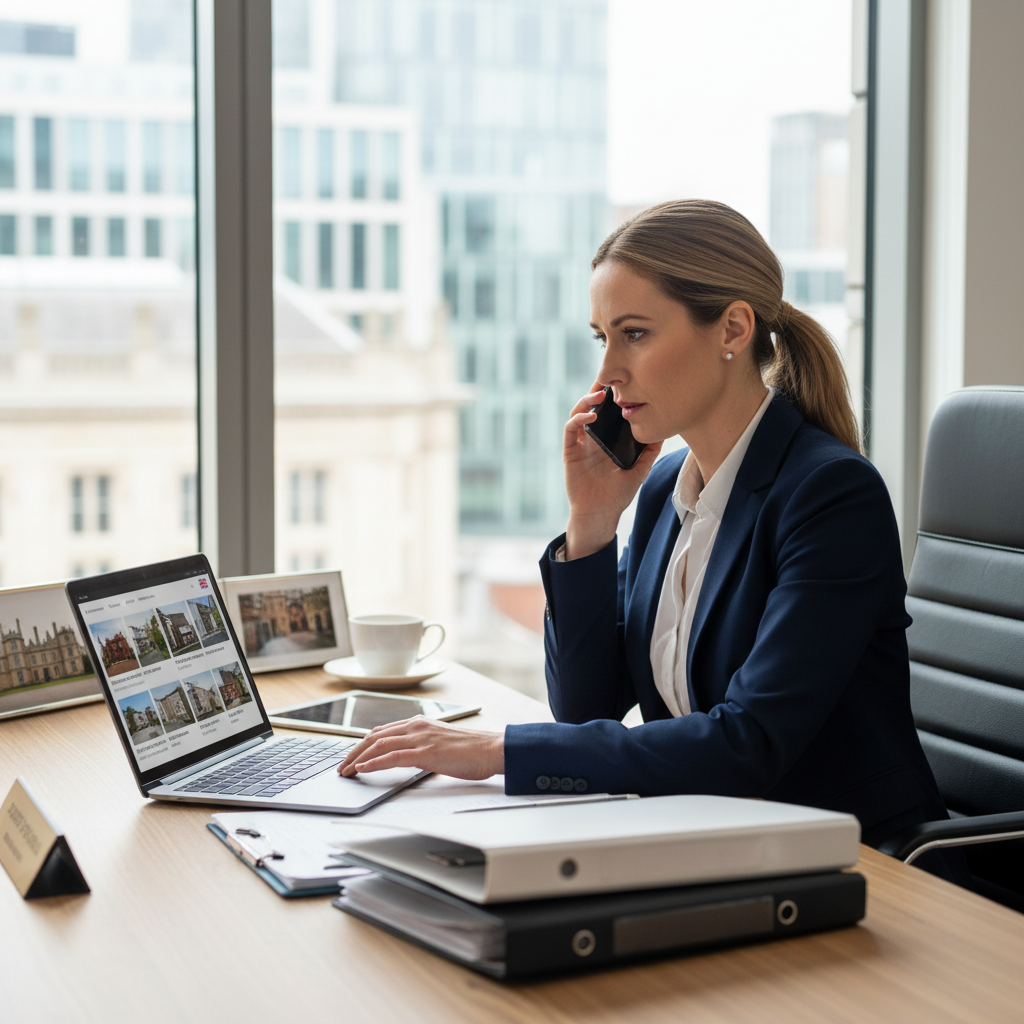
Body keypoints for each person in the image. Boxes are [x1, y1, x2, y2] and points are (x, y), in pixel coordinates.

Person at [339, 199, 954, 870]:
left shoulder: (829, 495)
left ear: (733, 328)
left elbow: (748, 744)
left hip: (851, 861)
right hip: (707, 839)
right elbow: (584, 709)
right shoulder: (663, 490)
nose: (608, 373)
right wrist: (592, 520)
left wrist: (499, 751)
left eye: (634, 333)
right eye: (601, 337)